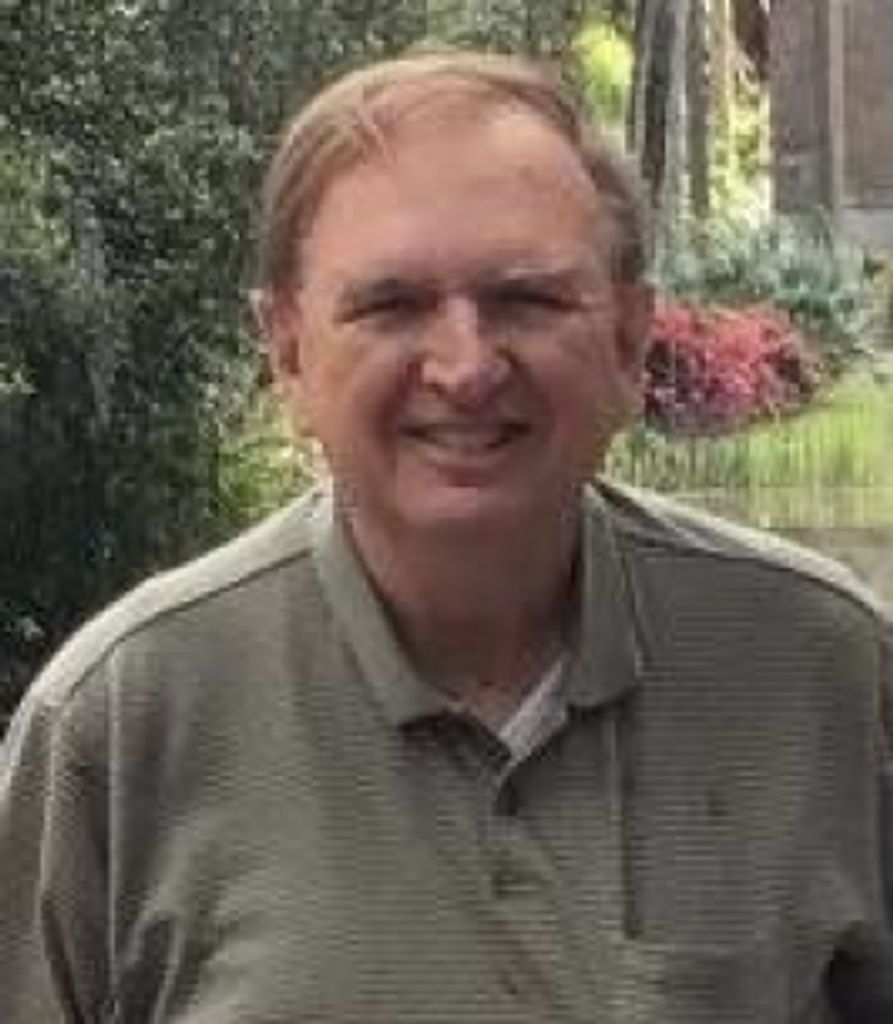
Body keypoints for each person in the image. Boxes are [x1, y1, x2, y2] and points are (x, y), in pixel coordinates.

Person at [1, 49, 891, 1023]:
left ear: (629, 340)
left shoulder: (824, 671)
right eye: (390, 306)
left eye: (526, 300)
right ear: (288, 351)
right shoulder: (123, 726)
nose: (464, 368)